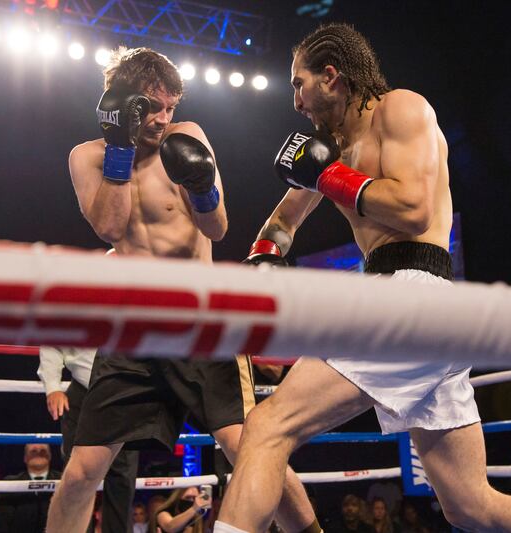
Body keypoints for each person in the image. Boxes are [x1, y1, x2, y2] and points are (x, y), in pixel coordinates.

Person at [215, 23, 511, 533]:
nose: (295, 101)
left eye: (298, 83)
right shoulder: (329, 144)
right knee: (472, 505)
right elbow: (281, 223)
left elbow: (413, 209)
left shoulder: (401, 108)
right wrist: (266, 255)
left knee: (266, 425)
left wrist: (327, 175)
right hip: (413, 306)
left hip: (412, 292)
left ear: (331, 76)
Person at [45, 46, 317, 533]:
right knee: (83, 470)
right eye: (153, 106)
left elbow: (217, 228)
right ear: (125, 102)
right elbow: (109, 226)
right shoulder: (87, 156)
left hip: (200, 322)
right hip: (133, 331)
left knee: (248, 446)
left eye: (171, 106)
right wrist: (120, 148)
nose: (164, 119)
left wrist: (203, 186)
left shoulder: (187, 136)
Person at [38, 345, 139, 533]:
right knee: (76, 480)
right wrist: (53, 387)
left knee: (122, 479)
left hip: (126, 393)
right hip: (83, 391)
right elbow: (52, 341)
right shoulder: (70, 316)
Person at [0, 443, 61, 532]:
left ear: (50, 456)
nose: (38, 453)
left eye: (43, 451)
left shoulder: (63, 481)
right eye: (33, 451)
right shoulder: (11, 484)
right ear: (25, 458)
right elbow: (2, 522)